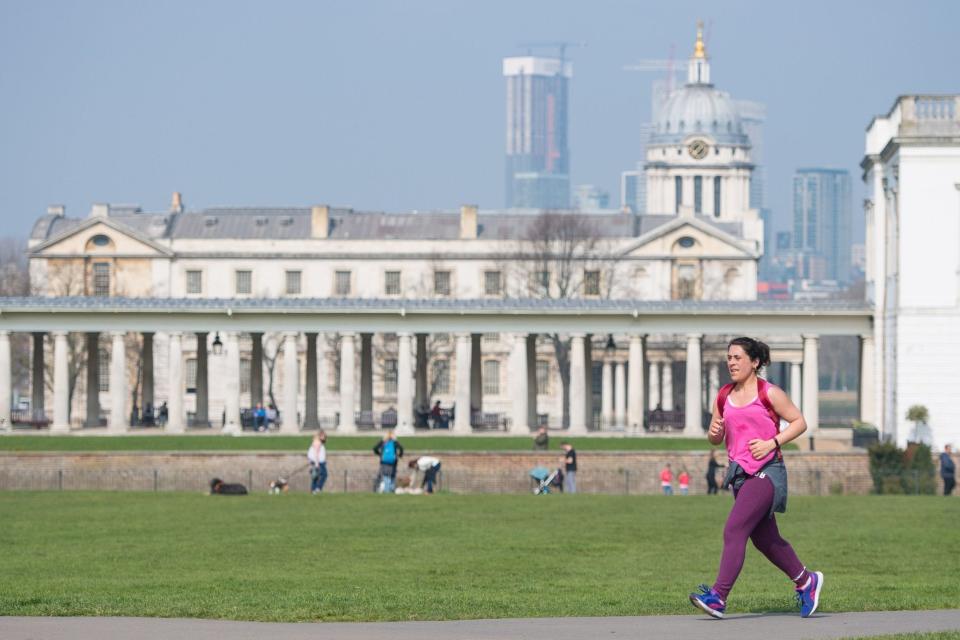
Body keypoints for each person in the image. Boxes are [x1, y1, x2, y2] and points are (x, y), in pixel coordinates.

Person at [689, 337, 823, 620]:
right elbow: (716, 438)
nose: (732, 363)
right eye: (729, 358)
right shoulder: (724, 395)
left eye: (738, 357)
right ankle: (806, 581)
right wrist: (714, 433)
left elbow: (799, 422)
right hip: (740, 475)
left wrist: (772, 442)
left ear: (755, 362)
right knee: (765, 539)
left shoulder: (769, 393)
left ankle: (718, 597)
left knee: (734, 529)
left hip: (768, 472)